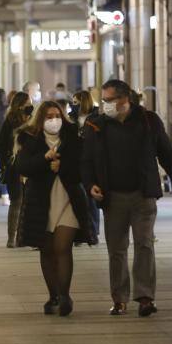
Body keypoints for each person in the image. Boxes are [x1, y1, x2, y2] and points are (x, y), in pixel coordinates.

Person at [82, 79, 172, 317]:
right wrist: (90, 185)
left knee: (144, 244)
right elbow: (87, 161)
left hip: (142, 195)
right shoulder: (96, 125)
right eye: (104, 101)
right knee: (117, 249)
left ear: (125, 99)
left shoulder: (148, 121)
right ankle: (119, 299)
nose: (106, 105)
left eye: (110, 100)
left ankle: (145, 297)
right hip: (112, 197)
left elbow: (167, 155)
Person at [15, 100, 96, 317]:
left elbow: (83, 167)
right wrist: (44, 159)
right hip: (41, 201)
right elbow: (22, 167)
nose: (54, 120)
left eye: (57, 115)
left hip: (69, 199)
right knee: (47, 249)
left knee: (62, 247)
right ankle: (53, 295)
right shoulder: (29, 138)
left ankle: (65, 295)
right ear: (41, 119)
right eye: (49, 116)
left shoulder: (73, 138)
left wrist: (62, 167)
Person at [0, 92, 33, 247]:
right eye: (28, 103)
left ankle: (25, 237)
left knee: (29, 202)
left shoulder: (33, 120)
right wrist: (6, 164)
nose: (31, 106)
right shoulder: (10, 121)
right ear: (20, 105)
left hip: (30, 167)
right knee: (17, 201)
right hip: (14, 168)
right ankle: (12, 237)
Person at [72, 90, 101, 239]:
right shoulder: (72, 117)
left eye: (76, 102)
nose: (73, 105)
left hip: (90, 160)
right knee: (78, 195)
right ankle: (81, 229)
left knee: (90, 196)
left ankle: (94, 228)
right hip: (76, 159)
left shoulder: (96, 117)